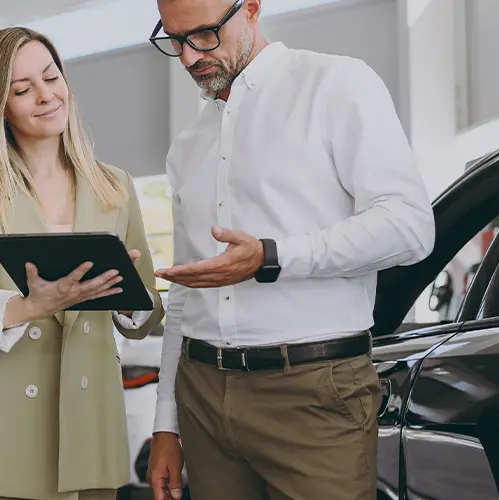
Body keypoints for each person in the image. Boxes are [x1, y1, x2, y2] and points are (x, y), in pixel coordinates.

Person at [143, 1, 436, 499]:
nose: (190, 57)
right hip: (202, 395)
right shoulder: (189, 145)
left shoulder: (336, 84)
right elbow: (186, 297)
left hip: (312, 391)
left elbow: (410, 228)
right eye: (174, 40)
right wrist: (166, 426)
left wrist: (272, 257)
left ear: (252, 7)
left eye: (205, 35)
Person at [0, 26, 166, 500]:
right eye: (22, 89)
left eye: (51, 77)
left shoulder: (115, 186)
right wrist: (33, 305)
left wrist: (124, 295)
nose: (46, 95)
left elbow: (145, 311)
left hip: (86, 430)